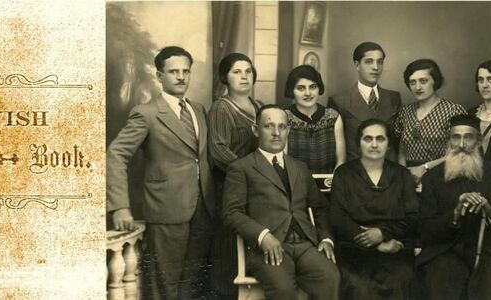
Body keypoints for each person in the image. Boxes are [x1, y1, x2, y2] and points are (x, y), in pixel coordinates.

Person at [106, 46, 215, 300]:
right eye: (173, 71)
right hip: (166, 209)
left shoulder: (197, 110)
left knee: (194, 281)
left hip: (203, 208)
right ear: (159, 75)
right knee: (166, 284)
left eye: (185, 71)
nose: (181, 77)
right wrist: (120, 206)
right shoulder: (147, 113)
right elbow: (116, 155)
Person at [223, 105, 340, 300]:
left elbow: (320, 208)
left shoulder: (300, 167)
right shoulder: (241, 168)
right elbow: (232, 213)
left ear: (288, 130)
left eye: (282, 127)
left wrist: (326, 239)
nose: (276, 133)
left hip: (305, 245)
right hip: (268, 249)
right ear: (255, 130)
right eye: (269, 126)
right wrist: (263, 236)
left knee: (330, 276)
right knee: (283, 288)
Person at [416, 114, 491, 300]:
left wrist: (489, 211)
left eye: (468, 137)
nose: (462, 144)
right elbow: (425, 231)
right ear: (448, 142)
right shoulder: (432, 178)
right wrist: (454, 215)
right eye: (456, 137)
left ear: (478, 141)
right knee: (439, 281)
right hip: (447, 249)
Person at [330, 119, 418, 299]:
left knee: (401, 280)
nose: (374, 144)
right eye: (368, 139)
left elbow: (412, 217)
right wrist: (375, 243)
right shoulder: (343, 174)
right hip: (355, 249)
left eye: (380, 139)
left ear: (389, 145)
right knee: (358, 285)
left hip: (394, 247)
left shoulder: (402, 174)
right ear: (358, 143)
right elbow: (338, 217)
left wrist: (383, 234)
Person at [207, 52, 263, 299]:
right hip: (231, 185)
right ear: (225, 78)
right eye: (236, 71)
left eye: (248, 71)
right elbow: (218, 150)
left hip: (259, 185)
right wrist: (250, 173)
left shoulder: (259, 106)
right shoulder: (221, 107)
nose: (244, 76)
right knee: (230, 248)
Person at [395, 59, 466, 183]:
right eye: (412, 82)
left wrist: (425, 168)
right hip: (410, 176)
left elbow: (462, 151)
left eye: (423, 81)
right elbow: (402, 149)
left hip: (443, 175)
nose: (417, 87)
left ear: (435, 81)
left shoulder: (454, 111)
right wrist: (404, 173)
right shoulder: (405, 111)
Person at [329, 42, 402, 162]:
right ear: (357, 65)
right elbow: (336, 149)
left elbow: (398, 144)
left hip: (390, 173)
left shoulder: (394, 98)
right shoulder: (339, 101)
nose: (376, 67)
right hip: (355, 173)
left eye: (380, 62)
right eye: (369, 61)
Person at [284, 65, 346, 174]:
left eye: (312, 87)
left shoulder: (333, 117)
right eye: (301, 88)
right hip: (295, 185)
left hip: (329, 184)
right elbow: (282, 160)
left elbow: (341, 161)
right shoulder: (284, 117)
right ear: (292, 91)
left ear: (319, 88)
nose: (308, 93)